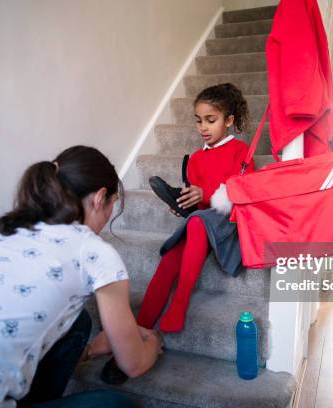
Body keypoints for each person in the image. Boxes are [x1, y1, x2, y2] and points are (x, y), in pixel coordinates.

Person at [0, 146, 162, 407]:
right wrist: (152, 342)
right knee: (115, 405)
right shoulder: (93, 252)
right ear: (99, 197)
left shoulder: (1, 230)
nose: (107, 218)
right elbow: (133, 364)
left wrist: (93, 348)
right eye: (111, 206)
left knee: (79, 322)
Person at [88, 84, 255, 378]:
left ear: (229, 120)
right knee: (168, 260)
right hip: (200, 224)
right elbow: (200, 201)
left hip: (226, 226)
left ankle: (179, 304)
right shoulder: (196, 158)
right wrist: (184, 202)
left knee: (197, 222)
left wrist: (204, 198)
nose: (202, 127)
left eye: (211, 120)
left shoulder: (241, 152)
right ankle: (136, 336)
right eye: (198, 119)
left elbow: (243, 195)